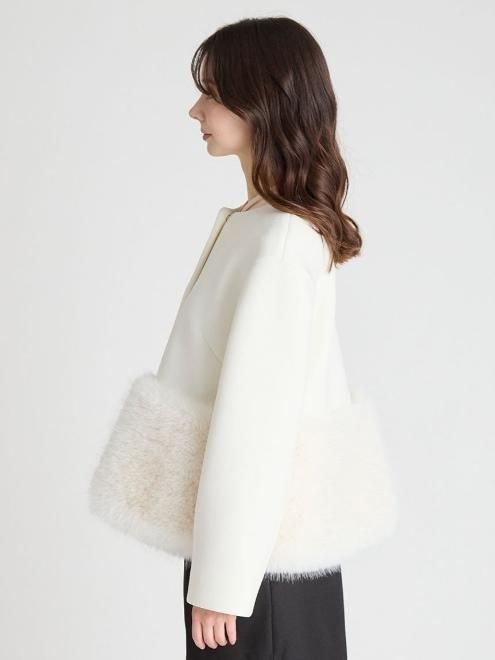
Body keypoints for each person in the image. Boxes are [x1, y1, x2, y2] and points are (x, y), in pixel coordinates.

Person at [89, 15, 398, 659]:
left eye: (212, 93)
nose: (194, 110)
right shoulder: (258, 225)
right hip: (251, 552)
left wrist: (224, 581)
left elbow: (257, 423)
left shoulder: (279, 239)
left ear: (262, 101)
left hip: (257, 566)